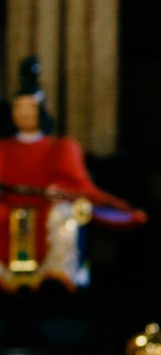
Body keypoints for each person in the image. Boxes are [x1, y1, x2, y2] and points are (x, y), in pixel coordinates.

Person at [0, 55, 145, 291]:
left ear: (42, 111)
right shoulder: (3, 149)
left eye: (30, 108)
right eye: (19, 108)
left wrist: (58, 191)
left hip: (46, 207)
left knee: (64, 214)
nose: (24, 114)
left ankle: (57, 274)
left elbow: (76, 186)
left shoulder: (61, 147)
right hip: (8, 208)